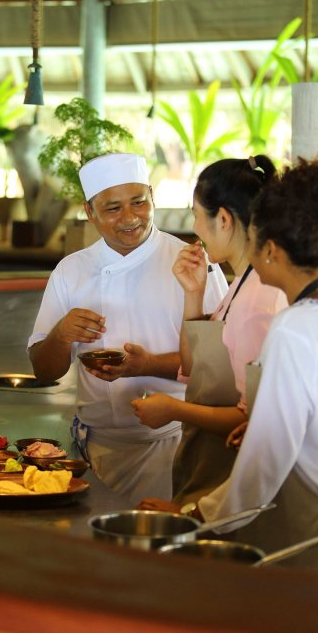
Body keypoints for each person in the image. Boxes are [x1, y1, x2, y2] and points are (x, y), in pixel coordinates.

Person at [138, 157, 318, 575]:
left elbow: (264, 464)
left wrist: (193, 514)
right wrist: (264, 423)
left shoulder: (293, 327)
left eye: (253, 238)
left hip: (314, 532)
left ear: (270, 249)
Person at [28, 152, 228, 503]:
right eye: (112, 208)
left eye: (138, 202)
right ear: (89, 212)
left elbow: (219, 369)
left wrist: (147, 365)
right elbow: (44, 372)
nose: (130, 218)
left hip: (171, 445)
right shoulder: (71, 270)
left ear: (153, 196)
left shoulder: (192, 263)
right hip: (94, 447)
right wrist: (61, 334)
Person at [129, 155, 288, 505]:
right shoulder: (242, 281)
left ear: (224, 219)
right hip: (210, 473)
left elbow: (253, 418)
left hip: (233, 485)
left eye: (197, 215)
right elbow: (193, 366)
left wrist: (173, 409)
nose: (195, 227)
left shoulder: (259, 299)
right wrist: (193, 294)